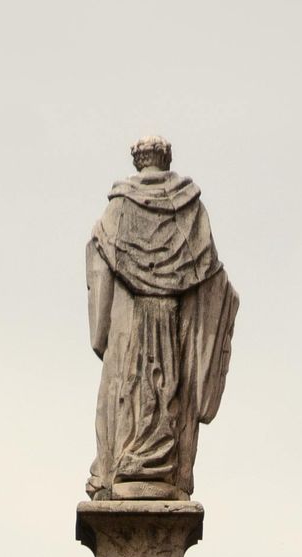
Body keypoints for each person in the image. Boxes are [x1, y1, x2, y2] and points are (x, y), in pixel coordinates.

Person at [85, 138, 237, 501]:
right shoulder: (190, 211)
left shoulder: (116, 212)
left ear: (138, 163)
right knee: (168, 387)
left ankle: (124, 465)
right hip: (172, 325)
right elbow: (211, 276)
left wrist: (101, 334)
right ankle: (160, 465)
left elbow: (98, 271)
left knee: (128, 390)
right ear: (166, 160)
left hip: (129, 328)